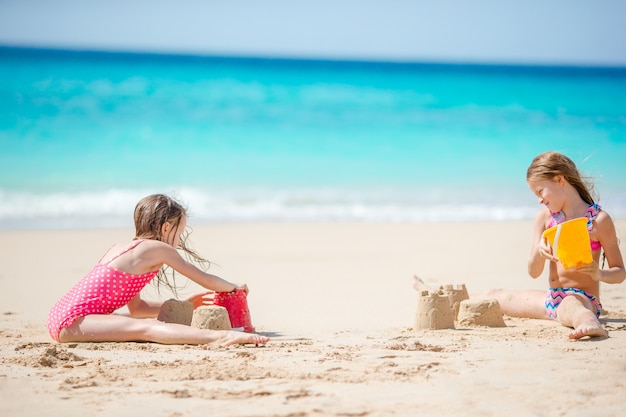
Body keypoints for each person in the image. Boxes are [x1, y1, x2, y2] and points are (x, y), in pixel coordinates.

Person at [47, 194, 269, 347]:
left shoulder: (125, 250)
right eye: (180, 232)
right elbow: (205, 279)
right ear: (166, 228)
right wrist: (234, 288)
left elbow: (137, 308)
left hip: (63, 317)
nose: (180, 239)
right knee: (148, 328)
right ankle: (217, 338)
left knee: (142, 323)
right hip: (72, 322)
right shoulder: (157, 248)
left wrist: (188, 304)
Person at [481, 151, 624, 339]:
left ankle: (588, 322)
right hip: (552, 298)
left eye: (540, 191)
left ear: (559, 179)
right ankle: (459, 301)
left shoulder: (598, 221)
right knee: (499, 297)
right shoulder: (544, 219)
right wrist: (540, 251)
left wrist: (599, 273)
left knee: (571, 305)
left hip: (583, 299)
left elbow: (620, 272)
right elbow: (533, 272)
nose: (539, 199)